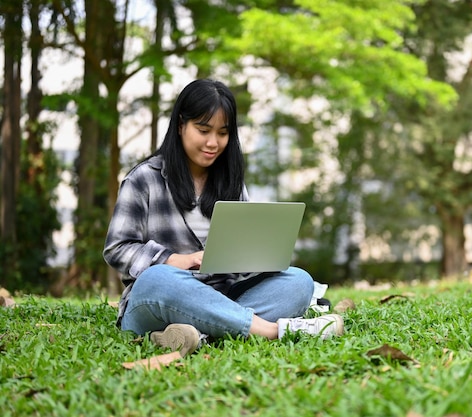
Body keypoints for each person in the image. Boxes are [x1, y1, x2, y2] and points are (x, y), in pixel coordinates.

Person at [103, 79, 343, 356]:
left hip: (223, 295)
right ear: (181, 125)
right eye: (203, 130)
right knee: (157, 279)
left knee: (299, 282)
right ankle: (273, 331)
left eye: (223, 133)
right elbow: (117, 248)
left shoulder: (231, 183)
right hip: (158, 299)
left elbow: (241, 259)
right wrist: (175, 260)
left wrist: (257, 258)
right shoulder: (144, 178)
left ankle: (190, 335)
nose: (213, 143)